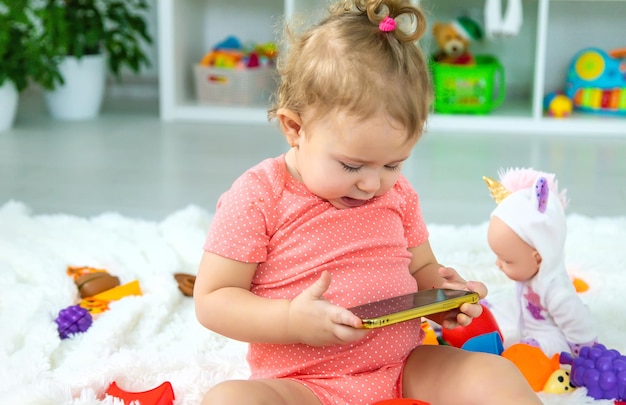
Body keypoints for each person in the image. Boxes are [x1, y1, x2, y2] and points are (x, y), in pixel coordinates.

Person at [193, 1, 542, 404]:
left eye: (393, 164)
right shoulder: (258, 195)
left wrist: (442, 298)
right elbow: (213, 300)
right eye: (351, 165)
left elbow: (421, 268)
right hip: (304, 384)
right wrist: (291, 320)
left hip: (402, 369)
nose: (373, 184)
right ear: (295, 128)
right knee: (229, 399)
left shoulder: (397, 194)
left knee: (493, 374)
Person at [484, 168, 597, 357]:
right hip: (527, 321)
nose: (498, 264)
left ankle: (533, 349)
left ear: (538, 257)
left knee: (536, 350)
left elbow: (580, 324)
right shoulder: (528, 275)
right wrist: (489, 308)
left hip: (549, 333)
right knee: (497, 308)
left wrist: (586, 352)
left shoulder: (557, 292)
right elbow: (518, 303)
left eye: (507, 260)